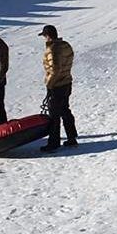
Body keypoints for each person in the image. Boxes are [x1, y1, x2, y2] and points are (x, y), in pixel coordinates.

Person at [39, 24, 77, 152]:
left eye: (44, 36)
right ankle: (72, 137)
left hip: (57, 85)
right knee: (65, 110)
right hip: (67, 81)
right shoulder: (66, 45)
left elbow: (55, 70)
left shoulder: (52, 49)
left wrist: (49, 84)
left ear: (48, 36)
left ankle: (54, 142)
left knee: (54, 115)